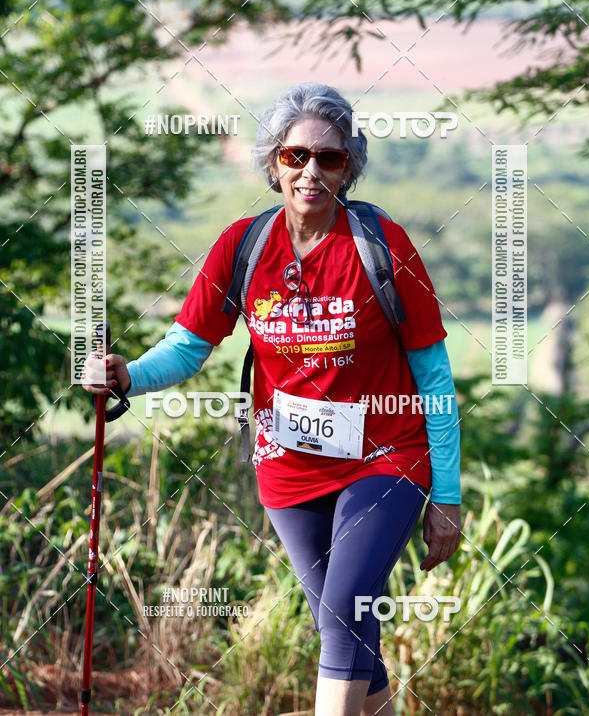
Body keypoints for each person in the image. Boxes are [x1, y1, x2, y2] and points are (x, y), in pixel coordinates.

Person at [83, 82, 461, 716]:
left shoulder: (383, 246)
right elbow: (187, 346)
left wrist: (445, 496)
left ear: (350, 167)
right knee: (348, 626)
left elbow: (435, 377)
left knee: (344, 611)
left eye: (330, 158)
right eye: (295, 156)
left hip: (386, 458)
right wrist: (127, 376)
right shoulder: (244, 245)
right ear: (273, 163)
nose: (311, 171)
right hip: (288, 468)